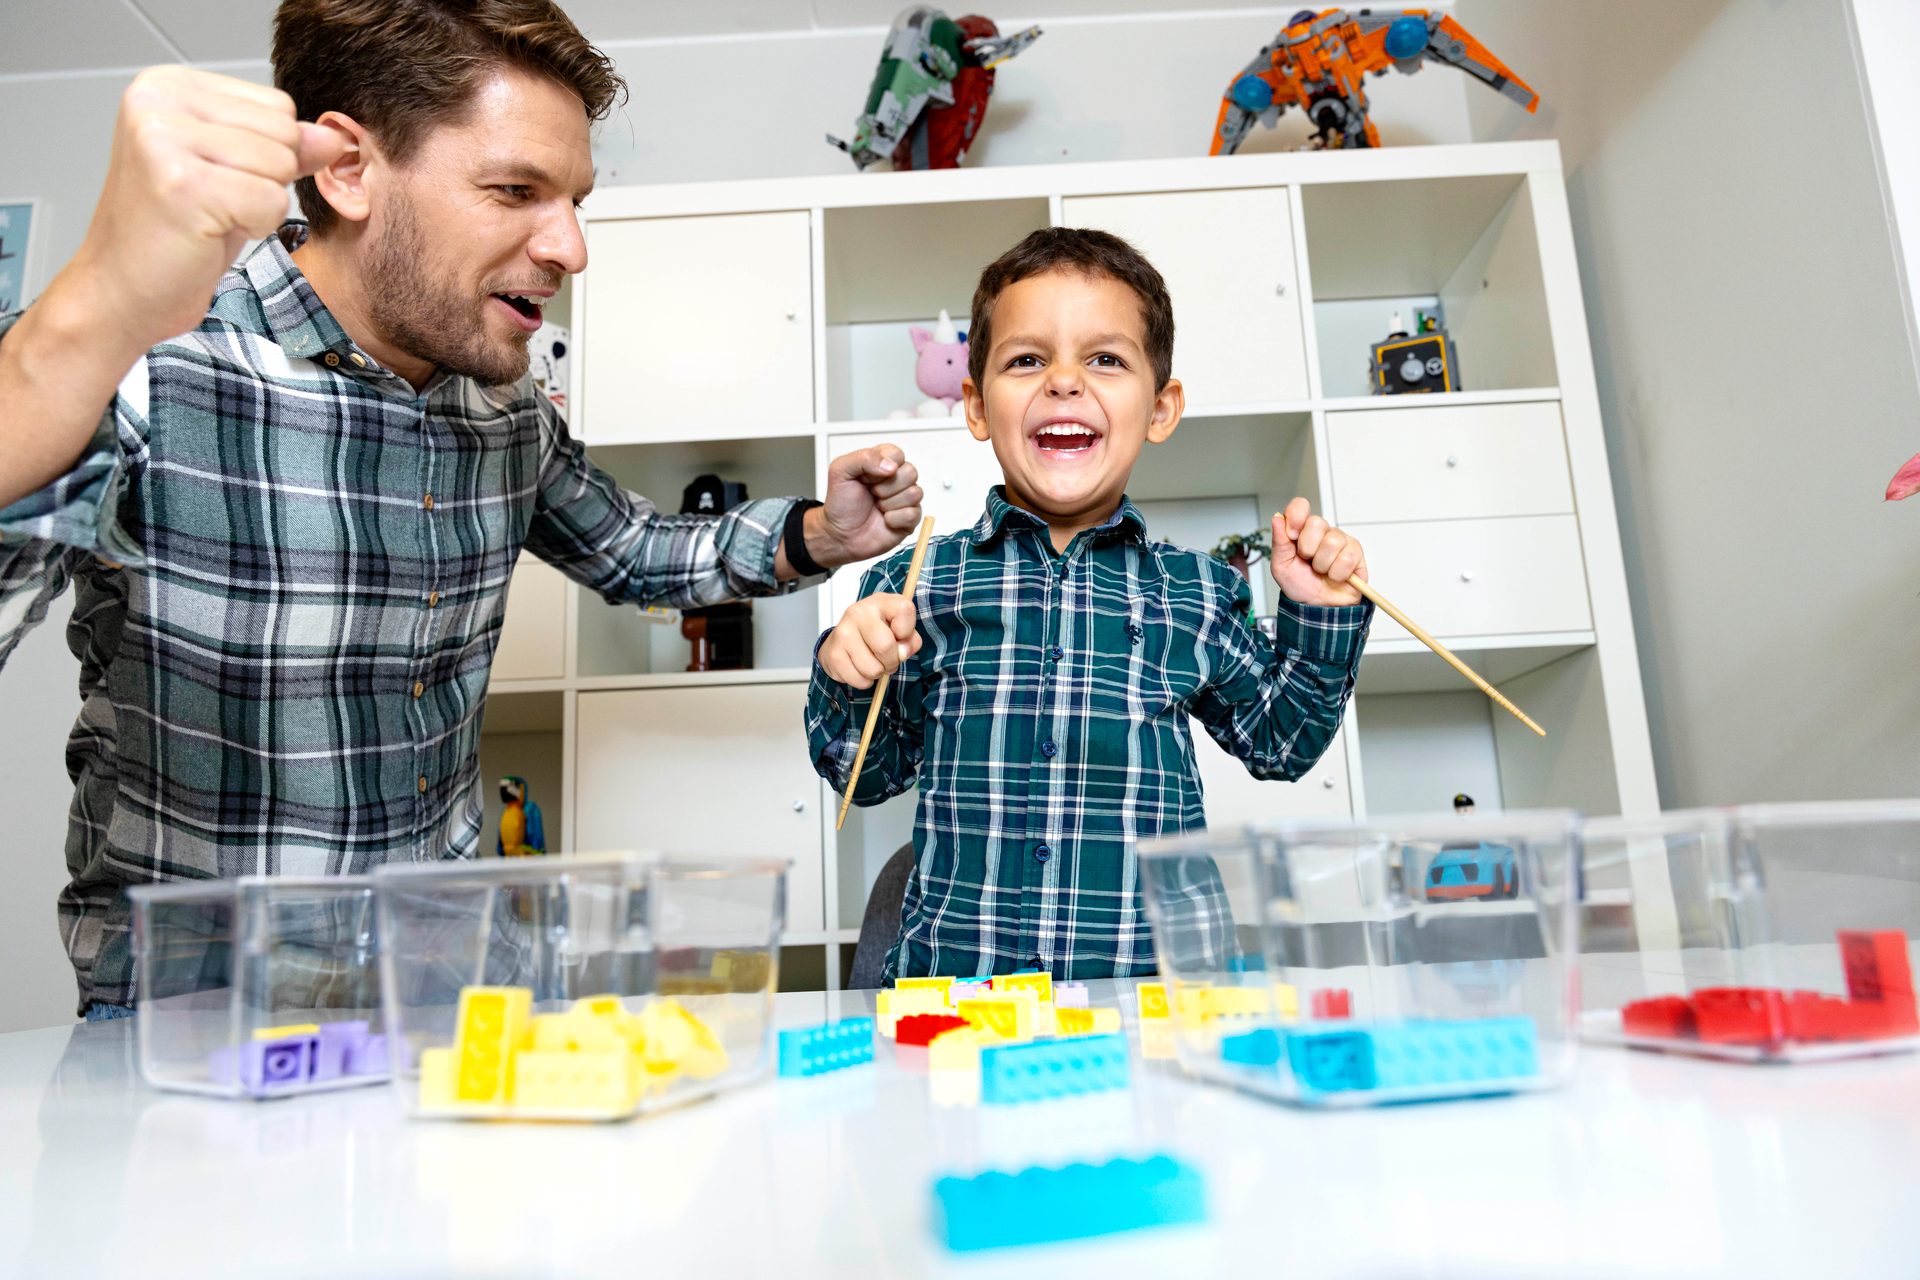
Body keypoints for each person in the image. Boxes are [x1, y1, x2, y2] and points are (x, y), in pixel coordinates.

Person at [0, 0, 921, 1019]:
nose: (571, 247)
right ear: (348, 170)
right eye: (515, 190)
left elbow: (632, 548)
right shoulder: (152, 359)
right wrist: (94, 302)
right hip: (194, 1031)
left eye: (572, 198)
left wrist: (818, 536)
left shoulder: (506, 408)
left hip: (447, 1004)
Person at [806, 227, 1370, 982]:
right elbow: (864, 778)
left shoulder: (1198, 591)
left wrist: (1321, 614)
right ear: (975, 406)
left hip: (1157, 1005)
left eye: (1104, 358)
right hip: (960, 1005)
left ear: (1162, 408)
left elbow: (1282, 745)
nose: (1064, 382)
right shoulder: (914, 587)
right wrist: (847, 674)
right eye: (1027, 359)